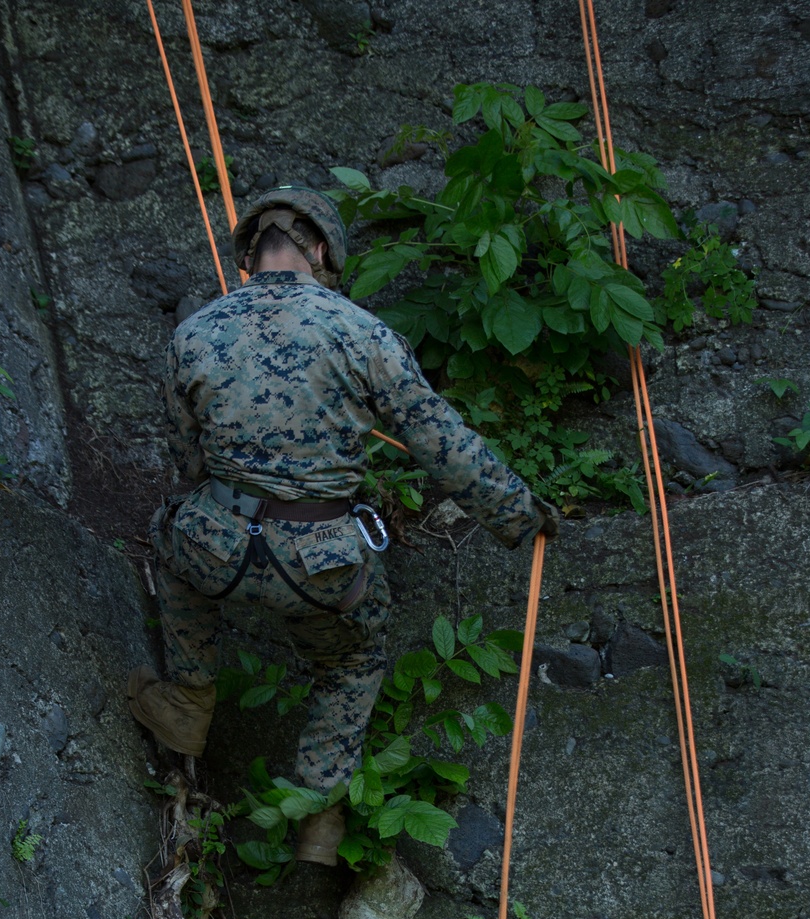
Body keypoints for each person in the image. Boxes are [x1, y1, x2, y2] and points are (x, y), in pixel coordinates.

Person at [128, 186, 559, 866]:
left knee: (171, 533)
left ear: (250, 256)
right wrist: (518, 514)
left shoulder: (194, 334)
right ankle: (318, 819)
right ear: (320, 249)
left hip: (216, 550)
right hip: (321, 566)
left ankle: (188, 698)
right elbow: (442, 445)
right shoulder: (362, 332)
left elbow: (190, 463)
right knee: (353, 658)